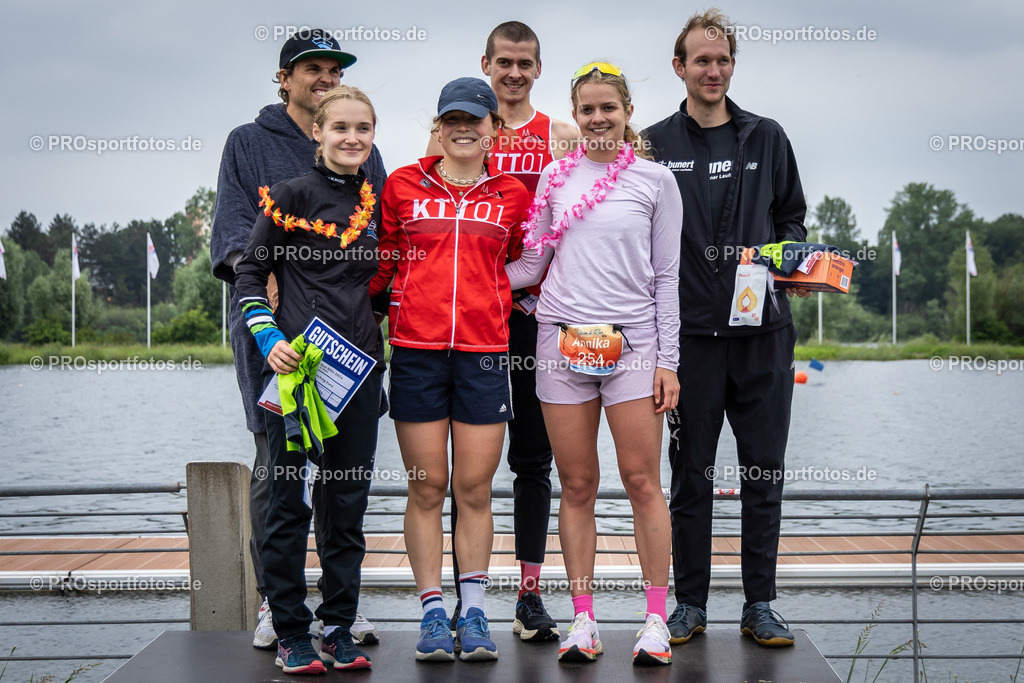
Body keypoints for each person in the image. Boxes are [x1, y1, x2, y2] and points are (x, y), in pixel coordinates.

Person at [210, 29, 386, 650]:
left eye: (334, 71)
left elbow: (380, 255)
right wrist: (268, 293)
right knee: (278, 481)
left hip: (353, 354)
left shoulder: (370, 166)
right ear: (284, 78)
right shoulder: (249, 145)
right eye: (311, 69)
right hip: (282, 347)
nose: (324, 79)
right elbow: (236, 237)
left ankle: (340, 614)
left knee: (346, 493)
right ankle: (276, 608)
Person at [643, 8, 810, 649]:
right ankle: (688, 605)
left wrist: (785, 256)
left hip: (764, 335)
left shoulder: (766, 136)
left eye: (722, 60)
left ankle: (760, 604)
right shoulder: (655, 142)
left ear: (732, 66)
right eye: (700, 60)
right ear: (680, 68)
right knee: (690, 477)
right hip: (688, 342)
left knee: (764, 470)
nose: (713, 70)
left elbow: (792, 217)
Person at [506, 62, 682, 666]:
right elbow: (532, 264)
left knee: (641, 482)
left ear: (627, 112)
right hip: (560, 342)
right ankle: (583, 621)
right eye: (588, 109)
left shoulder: (657, 182)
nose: (599, 118)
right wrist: (466, 281)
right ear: (574, 115)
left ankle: (655, 620)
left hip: (633, 346)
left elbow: (666, 278)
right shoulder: (554, 176)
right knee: (577, 485)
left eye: (610, 108)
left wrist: (669, 362)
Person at [425, 20, 579, 643]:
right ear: (485, 64)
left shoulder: (561, 135)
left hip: (542, 319)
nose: (514, 73)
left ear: (538, 69)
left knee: (534, 461)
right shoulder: (461, 132)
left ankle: (530, 594)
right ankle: (468, 600)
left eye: (525, 63)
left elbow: (582, 214)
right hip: (477, 324)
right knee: (471, 471)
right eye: (504, 62)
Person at [370, 77, 531, 662]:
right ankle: (434, 614)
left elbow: (523, 261)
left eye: (476, 118)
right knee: (427, 486)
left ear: (494, 128)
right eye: (452, 118)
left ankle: (477, 614)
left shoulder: (512, 194)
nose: (464, 127)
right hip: (415, 351)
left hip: (484, 355)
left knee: (474, 488)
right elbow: (382, 261)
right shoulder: (402, 184)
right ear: (438, 126)